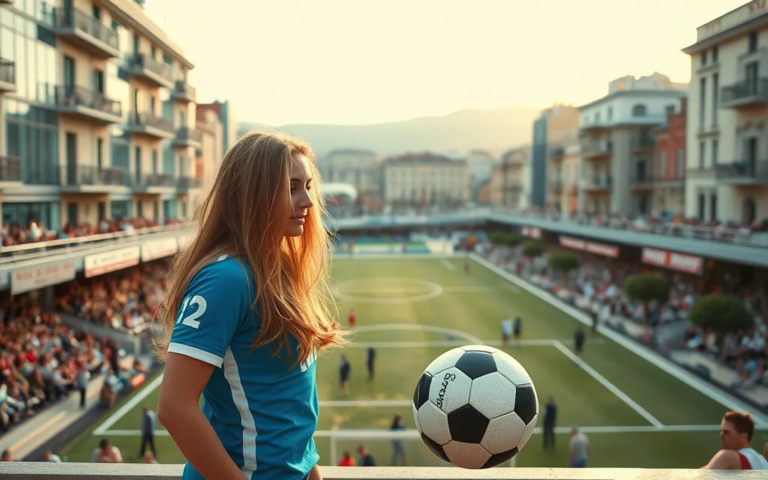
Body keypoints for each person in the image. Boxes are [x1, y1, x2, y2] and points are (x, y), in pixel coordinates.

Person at [156, 132, 346, 480]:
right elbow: (174, 407)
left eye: (307, 186)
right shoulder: (227, 279)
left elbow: (288, 410)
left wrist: (310, 472)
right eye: (291, 188)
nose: (307, 201)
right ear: (253, 195)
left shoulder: (280, 272)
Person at [702, 411, 768, 470]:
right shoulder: (764, 462)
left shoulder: (728, 457)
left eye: (726, 432)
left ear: (744, 437)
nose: (721, 435)